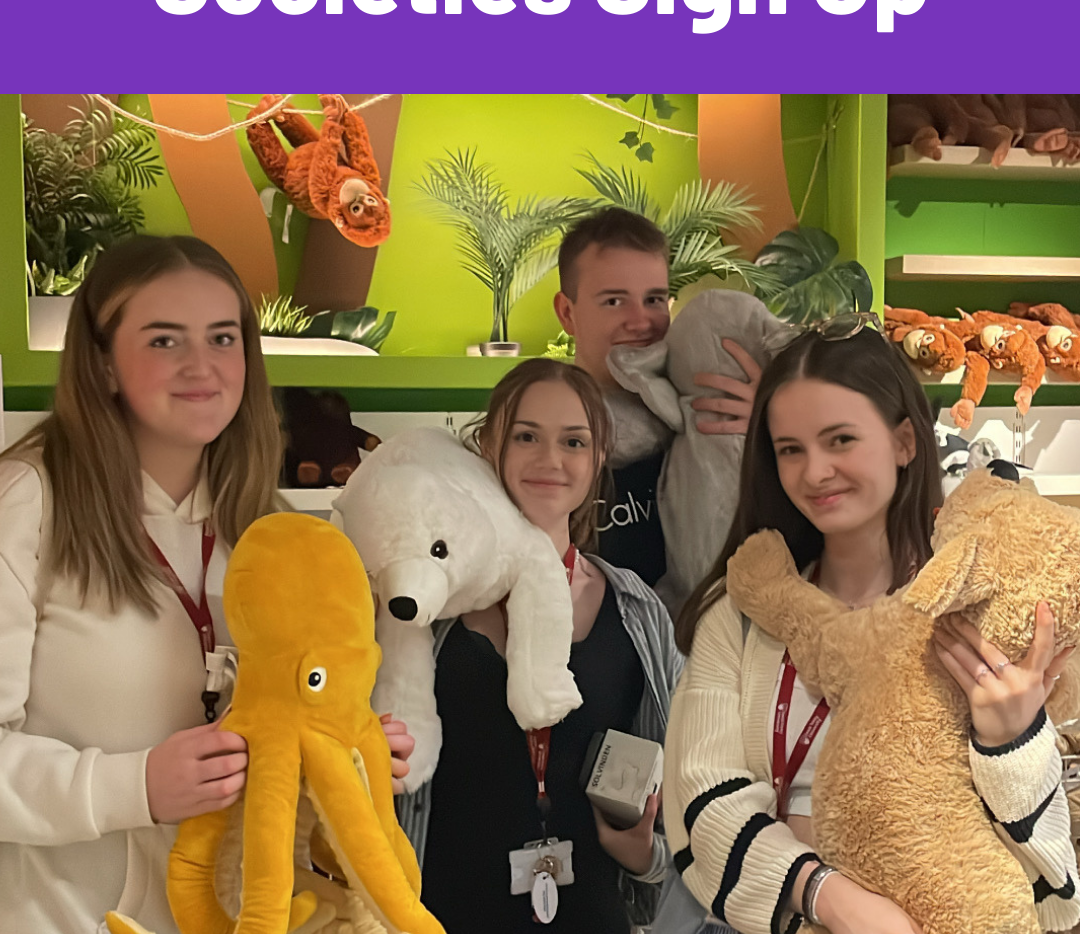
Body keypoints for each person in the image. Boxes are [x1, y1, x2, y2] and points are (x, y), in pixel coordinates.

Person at [0, 235, 412, 934]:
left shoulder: (270, 530)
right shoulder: (28, 503)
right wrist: (132, 787)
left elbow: (286, 716)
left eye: (223, 338)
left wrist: (349, 744)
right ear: (101, 362)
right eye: (165, 341)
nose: (202, 366)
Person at [659, 320, 1079, 934]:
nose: (815, 472)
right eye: (790, 449)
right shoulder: (745, 614)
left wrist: (1012, 742)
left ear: (905, 441)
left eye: (841, 439)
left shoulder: (985, 606)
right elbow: (700, 799)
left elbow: (1054, 870)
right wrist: (830, 898)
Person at [396, 357, 683, 933]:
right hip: (443, 916)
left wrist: (644, 855)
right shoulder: (426, 610)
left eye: (573, 441)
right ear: (488, 445)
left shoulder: (636, 611)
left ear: (599, 456)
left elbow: (683, 790)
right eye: (526, 436)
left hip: (595, 916)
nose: (550, 460)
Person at [553, 207, 763, 588]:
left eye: (653, 300)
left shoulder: (711, 402)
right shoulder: (537, 425)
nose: (641, 321)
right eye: (614, 301)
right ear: (567, 313)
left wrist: (776, 430)